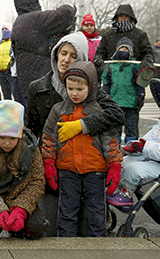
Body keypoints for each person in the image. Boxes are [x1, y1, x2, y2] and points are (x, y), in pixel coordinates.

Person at [24, 32, 124, 237]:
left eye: (73, 55)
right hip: (57, 168)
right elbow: (30, 131)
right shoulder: (38, 88)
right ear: (55, 55)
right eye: (63, 53)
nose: (67, 59)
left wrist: (82, 125)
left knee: (90, 225)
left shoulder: (92, 90)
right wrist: (43, 165)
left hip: (90, 168)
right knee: (51, 227)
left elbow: (116, 115)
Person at [41, 61, 122, 237]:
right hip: (67, 169)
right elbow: (49, 138)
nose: (74, 93)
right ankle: (67, 244)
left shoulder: (99, 111)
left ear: (90, 87)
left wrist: (115, 165)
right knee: (67, 210)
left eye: (79, 89)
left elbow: (110, 141)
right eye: (70, 89)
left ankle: (96, 245)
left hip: (95, 170)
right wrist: (49, 162)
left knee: (96, 211)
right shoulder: (59, 110)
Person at [0, 100, 47, 239]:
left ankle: (16, 225)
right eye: (2, 137)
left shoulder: (30, 149)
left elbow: (37, 181)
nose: (6, 142)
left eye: (12, 138)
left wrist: (21, 209)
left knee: (35, 229)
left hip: (20, 196)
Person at [107, 97, 160, 207]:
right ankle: (121, 188)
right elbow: (146, 140)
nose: (159, 116)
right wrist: (135, 146)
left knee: (134, 169)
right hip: (152, 159)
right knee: (123, 162)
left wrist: (145, 147)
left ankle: (126, 196)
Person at [93, 4, 153, 136]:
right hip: (113, 79)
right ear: (116, 18)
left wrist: (147, 62)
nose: (123, 19)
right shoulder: (109, 35)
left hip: (132, 82)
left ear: (131, 18)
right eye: (121, 16)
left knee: (132, 123)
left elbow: (148, 53)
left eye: (126, 16)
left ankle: (132, 146)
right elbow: (100, 53)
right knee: (113, 122)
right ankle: (114, 147)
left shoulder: (140, 35)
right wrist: (99, 61)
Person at [11, 0, 77, 103]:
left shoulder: (19, 22)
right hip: (43, 81)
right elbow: (66, 13)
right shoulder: (34, 19)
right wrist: (71, 7)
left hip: (29, 84)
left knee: (35, 118)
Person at [102, 38, 145, 144]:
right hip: (114, 102)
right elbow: (106, 83)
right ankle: (115, 148)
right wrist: (104, 96)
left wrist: (140, 95)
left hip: (130, 102)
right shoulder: (110, 65)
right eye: (122, 47)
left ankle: (131, 147)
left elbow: (139, 83)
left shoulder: (134, 65)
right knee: (115, 129)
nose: (124, 49)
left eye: (127, 48)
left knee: (131, 128)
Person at [0, 24, 15, 101]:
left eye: (6, 29)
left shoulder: (13, 42)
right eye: (3, 29)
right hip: (1, 73)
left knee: (15, 93)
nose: (4, 30)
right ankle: (8, 111)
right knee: (6, 95)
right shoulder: (0, 44)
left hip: (10, 72)